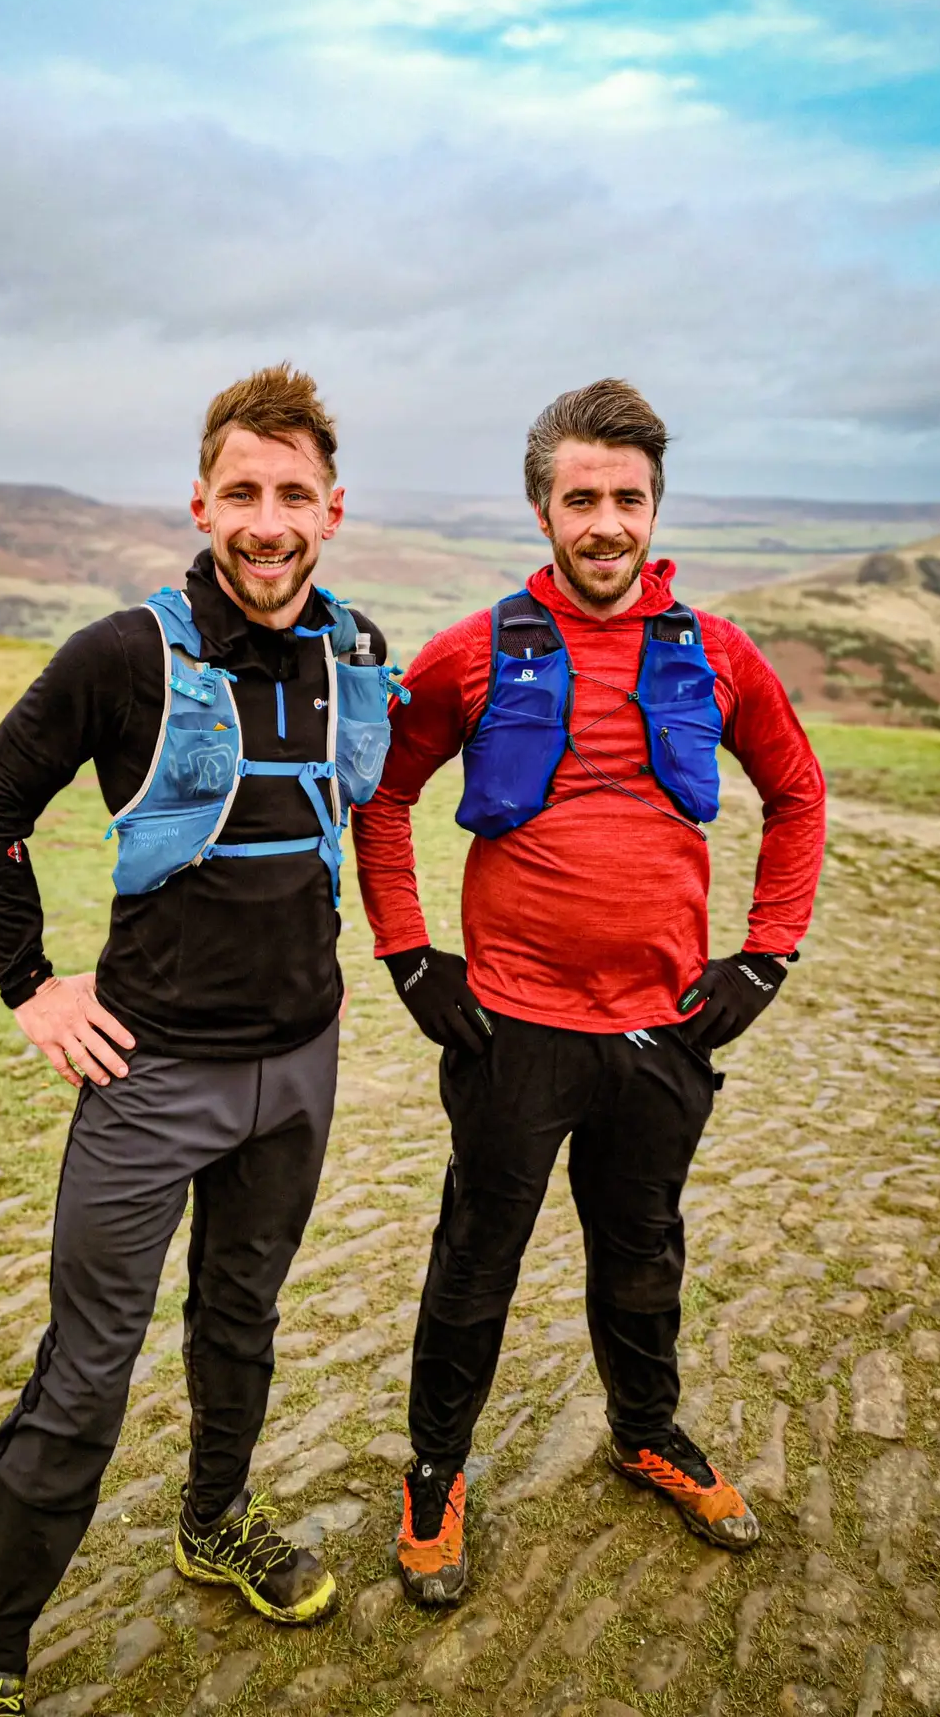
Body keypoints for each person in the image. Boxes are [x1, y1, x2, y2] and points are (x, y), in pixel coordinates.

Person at [0, 365, 396, 1716]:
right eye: (244, 493)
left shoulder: (353, 651)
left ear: (333, 511)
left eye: (294, 495)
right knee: (83, 1380)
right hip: (149, 1081)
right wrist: (33, 984)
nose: (268, 521)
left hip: (300, 1069)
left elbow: (376, 810)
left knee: (242, 1325)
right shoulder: (122, 654)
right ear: (202, 503)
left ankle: (213, 1526)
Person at [352, 380, 826, 1606]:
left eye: (627, 498)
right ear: (542, 509)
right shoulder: (471, 651)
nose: (605, 521)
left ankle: (647, 1433)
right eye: (581, 499)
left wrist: (765, 954)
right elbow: (384, 797)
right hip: (512, 1029)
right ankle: (437, 1475)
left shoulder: (719, 653)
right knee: (476, 1260)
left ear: (655, 506)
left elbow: (798, 794)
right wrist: (410, 955)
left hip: (664, 1028)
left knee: (644, 1249)